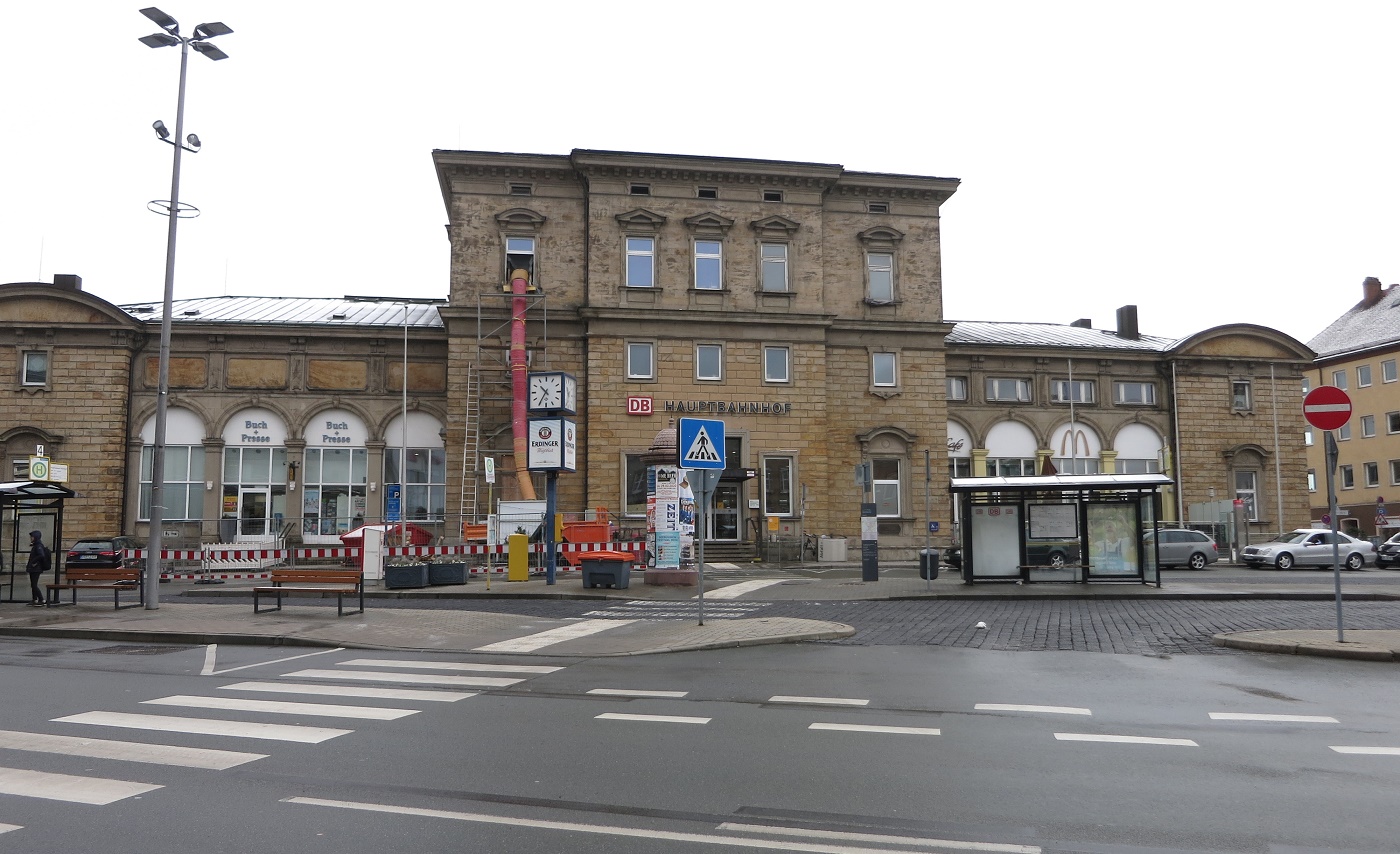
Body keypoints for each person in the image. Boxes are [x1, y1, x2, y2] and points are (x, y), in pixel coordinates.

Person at [26, 530, 51, 607]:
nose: (31, 538)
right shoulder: (36, 545)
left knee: (34, 585)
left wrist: (33, 562)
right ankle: (34, 599)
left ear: (36, 537)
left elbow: (41, 555)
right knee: (33, 584)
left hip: (36, 568)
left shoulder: (38, 546)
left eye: (32, 537)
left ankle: (41, 599)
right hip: (34, 568)